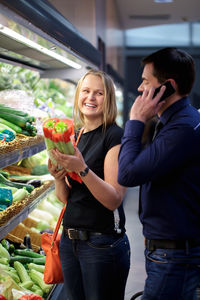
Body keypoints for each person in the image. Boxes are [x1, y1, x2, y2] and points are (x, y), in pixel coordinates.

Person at [118, 47, 200, 299]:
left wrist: (135, 120)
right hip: (170, 253)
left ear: (167, 86)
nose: (140, 88)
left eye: (145, 81)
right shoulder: (176, 121)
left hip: (174, 257)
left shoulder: (182, 128)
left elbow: (128, 174)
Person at [48, 69, 130, 300]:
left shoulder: (114, 136)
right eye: (86, 91)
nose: (90, 98)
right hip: (69, 240)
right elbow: (67, 198)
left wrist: (82, 169)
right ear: (78, 96)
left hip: (101, 243)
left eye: (99, 93)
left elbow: (114, 199)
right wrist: (57, 176)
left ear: (109, 99)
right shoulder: (76, 134)